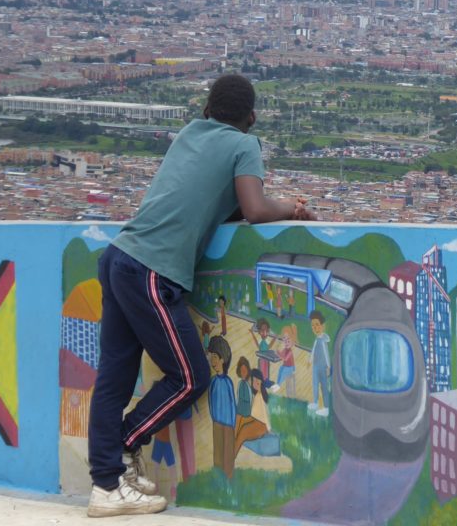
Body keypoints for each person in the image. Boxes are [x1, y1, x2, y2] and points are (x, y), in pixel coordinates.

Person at [86, 74, 316, 517]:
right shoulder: (244, 145)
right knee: (191, 376)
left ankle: (105, 485)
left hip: (118, 257)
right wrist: (291, 208)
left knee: (113, 378)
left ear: (207, 109)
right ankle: (126, 443)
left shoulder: (191, 132)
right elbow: (252, 209)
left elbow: (216, 200)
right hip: (152, 271)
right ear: (251, 117)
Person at [206, 336, 235, 480]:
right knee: (218, 452)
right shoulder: (213, 382)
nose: (213, 361)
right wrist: (213, 418)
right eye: (211, 357)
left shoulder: (228, 382)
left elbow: (232, 403)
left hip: (229, 424)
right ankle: (218, 480)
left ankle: (228, 479)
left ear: (223, 359)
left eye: (215, 357)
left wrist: (233, 422)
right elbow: (210, 401)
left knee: (228, 454)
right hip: (217, 422)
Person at [234, 367, 270, 457]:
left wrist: (268, 429)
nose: (256, 382)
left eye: (258, 379)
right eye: (253, 380)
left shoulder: (262, 395)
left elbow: (265, 416)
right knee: (240, 419)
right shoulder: (257, 395)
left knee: (243, 431)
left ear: (261, 380)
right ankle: (232, 442)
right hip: (256, 421)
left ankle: (231, 456)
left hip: (262, 425)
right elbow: (254, 414)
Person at [309, 311, 331, 417]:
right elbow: (313, 350)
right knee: (315, 384)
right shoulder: (316, 339)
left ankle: (326, 408)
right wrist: (310, 360)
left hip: (323, 367)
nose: (315, 328)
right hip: (315, 366)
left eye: (317, 325)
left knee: (324, 386)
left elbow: (326, 354)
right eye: (313, 326)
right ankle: (316, 402)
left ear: (322, 326)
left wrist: (328, 367)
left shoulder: (323, 340)